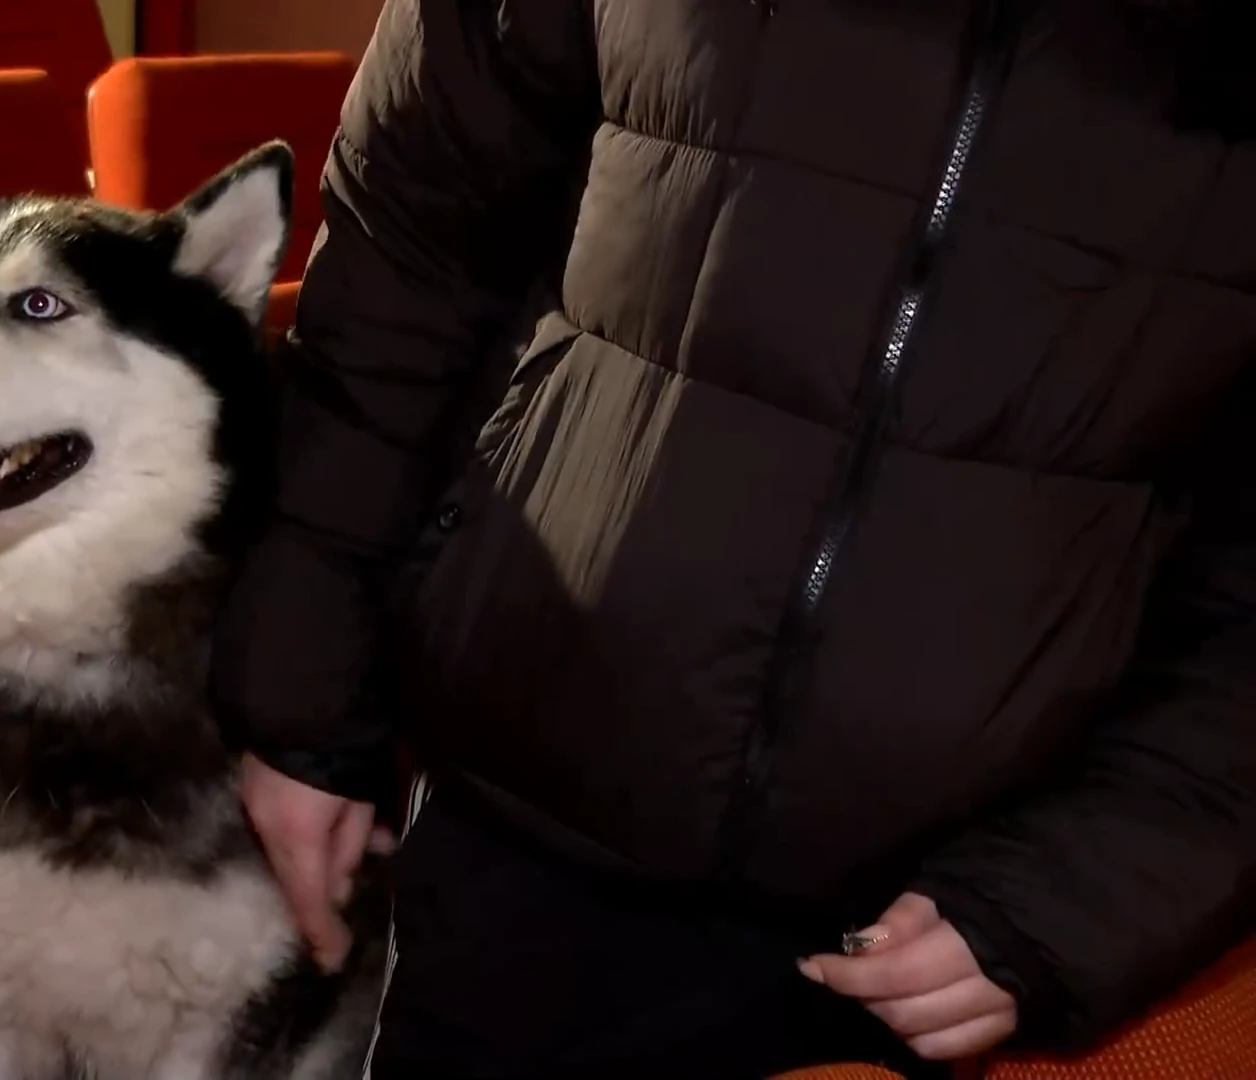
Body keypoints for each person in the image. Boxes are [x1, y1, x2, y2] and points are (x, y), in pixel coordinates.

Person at [210, 0, 1256, 1076]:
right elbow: (411, 244)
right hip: (523, 840)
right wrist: (302, 689)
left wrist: (1075, 891)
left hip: (946, 936)